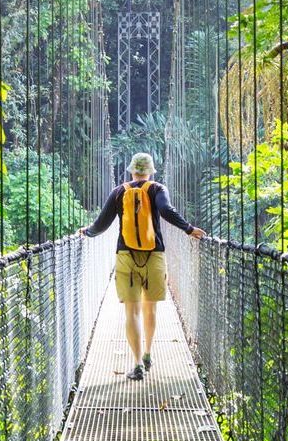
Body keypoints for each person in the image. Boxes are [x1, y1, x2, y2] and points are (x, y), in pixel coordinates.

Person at [77, 152, 206, 380]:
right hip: (154, 255)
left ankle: (136, 363)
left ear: (131, 170)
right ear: (150, 171)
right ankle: (147, 353)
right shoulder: (157, 189)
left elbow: (102, 223)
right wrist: (188, 228)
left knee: (131, 311)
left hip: (126, 255)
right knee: (150, 308)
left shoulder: (119, 192)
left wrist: (87, 232)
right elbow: (166, 211)